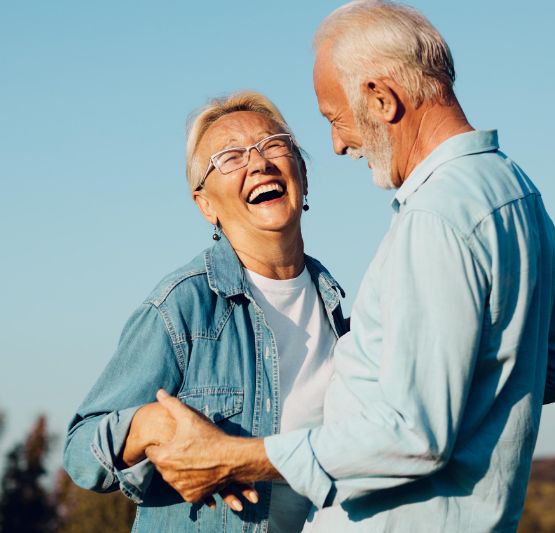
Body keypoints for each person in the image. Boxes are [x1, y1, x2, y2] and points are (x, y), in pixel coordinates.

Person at [143, 1, 555, 531]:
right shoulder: (518, 191)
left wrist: (234, 456)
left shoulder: (436, 218)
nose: (337, 145)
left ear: (381, 99)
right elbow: (539, 367)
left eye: (335, 119)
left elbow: (412, 435)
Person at [63, 91, 348, 532]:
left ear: (304, 175)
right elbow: (80, 450)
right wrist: (148, 424)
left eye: (274, 145)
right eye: (230, 158)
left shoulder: (340, 313)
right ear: (206, 205)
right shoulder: (183, 306)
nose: (258, 164)